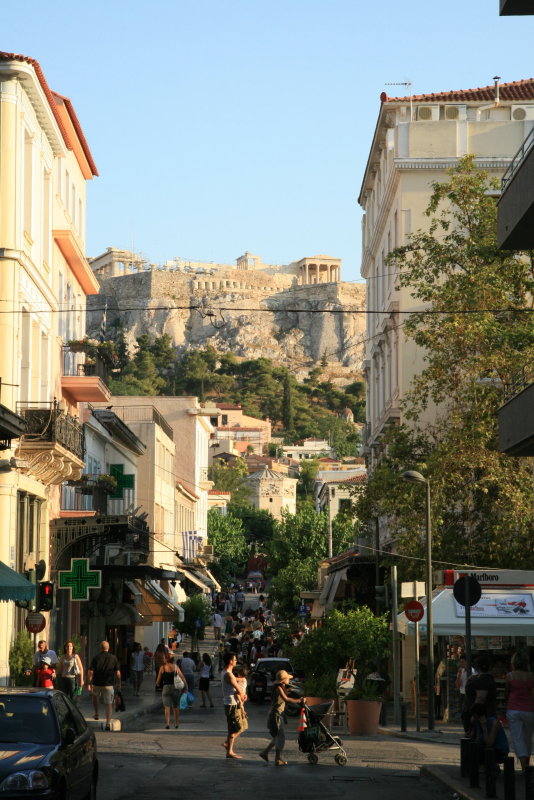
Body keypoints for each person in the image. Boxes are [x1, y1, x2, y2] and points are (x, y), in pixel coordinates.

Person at [259, 669, 306, 766]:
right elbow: (286, 699)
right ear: (283, 680)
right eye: (287, 679)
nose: (289, 680)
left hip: (277, 714)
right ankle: (277, 759)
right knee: (280, 737)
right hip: (275, 715)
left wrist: (291, 691)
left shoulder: (282, 687)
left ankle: (265, 753)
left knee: (277, 737)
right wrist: (299, 700)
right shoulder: (279, 689)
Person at [505, 651, 534, 771]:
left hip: (513, 710)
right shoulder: (532, 676)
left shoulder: (510, 676)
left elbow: (507, 693)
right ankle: (527, 764)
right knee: (528, 738)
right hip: (530, 710)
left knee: (518, 738)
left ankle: (524, 767)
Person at [87, 641, 121, 731]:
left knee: (95, 697)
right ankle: (108, 723)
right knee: (108, 703)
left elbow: (90, 672)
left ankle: (97, 713)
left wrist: (89, 682)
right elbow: (117, 672)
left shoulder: (95, 658)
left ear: (100, 648)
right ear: (108, 648)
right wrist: (119, 682)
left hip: (97, 683)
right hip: (108, 684)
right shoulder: (113, 658)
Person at [468, 703, 509, 770]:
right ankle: (485, 766)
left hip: (499, 751)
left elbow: (489, 743)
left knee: (484, 751)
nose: (473, 718)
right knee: (473, 749)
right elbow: (478, 741)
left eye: (475, 716)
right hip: (487, 748)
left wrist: (484, 728)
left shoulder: (494, 722)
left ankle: (490, 767)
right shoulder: (477, 722)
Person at [222, 651, 247, 759]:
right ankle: (229, 749)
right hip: (231, 704)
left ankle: (229, 749)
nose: (236, 661)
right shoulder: (228, 674)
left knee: (236, 727)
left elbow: (236, 682)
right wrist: (243, 694)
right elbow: (238, 689)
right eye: (235, 659)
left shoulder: (227, 673)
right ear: (231, 661)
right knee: (237, 727)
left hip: (232, 703)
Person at [463, 656, 496, 733]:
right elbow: (480, 699)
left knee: (475, 740)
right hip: (481, 716)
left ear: (477, 667)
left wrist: (474, 716)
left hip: (474, 715)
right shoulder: (487, 679)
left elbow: (479, 698)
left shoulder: (474, 679)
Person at [156, 653, 186, 729]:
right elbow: (182, 677)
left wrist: (158, 684)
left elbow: (158, 681)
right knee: (175, 707)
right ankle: (176, 723)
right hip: (175, 687)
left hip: (166, 688)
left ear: (166, 659)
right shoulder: (176, 667)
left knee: (167, 707)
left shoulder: (162, 668)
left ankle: (167, 723)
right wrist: (186, 686)